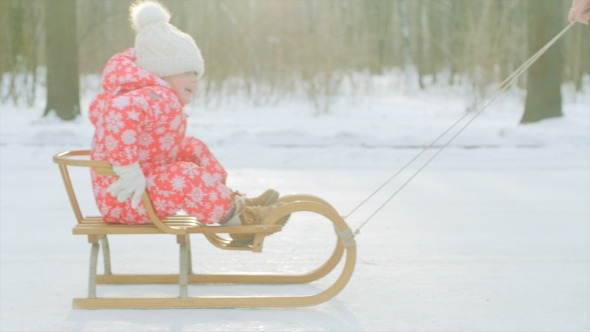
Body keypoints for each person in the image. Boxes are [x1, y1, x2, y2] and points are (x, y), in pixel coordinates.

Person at [89, 1, 287, 238]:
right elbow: (118, 115)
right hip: (126, 195)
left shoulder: (154, 96)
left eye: (196, 73)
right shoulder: (153, 96)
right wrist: (127, 169)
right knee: (184, 175)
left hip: (141, 188)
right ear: (161, 71)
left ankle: (230, 202)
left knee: (193, 147)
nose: (194, 80)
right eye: (186, 72)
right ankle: (237, 219)